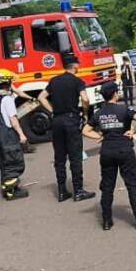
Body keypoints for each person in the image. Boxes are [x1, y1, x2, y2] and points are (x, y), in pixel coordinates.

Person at [82, 80, 136, 231]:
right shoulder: (124, 109)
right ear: (114, 94)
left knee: (107, 186)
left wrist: (99, 137)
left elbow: (85, 130)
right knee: (132, 184)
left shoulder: (99, 113)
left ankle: (106, 220)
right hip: (124, 150)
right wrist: (132, 132)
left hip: (107, 152)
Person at [38, 54, 95, 202]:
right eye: (78, 65)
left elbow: (41, 97)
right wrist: (85, 113)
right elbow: (85, 99)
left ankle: (62, 191)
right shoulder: (77, 81)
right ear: (75, 66)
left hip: (57, 120)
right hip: (71, 120)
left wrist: (51, 111)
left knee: (60, 157)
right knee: (75, 156)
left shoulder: (54, 81)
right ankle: (78, 190)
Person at [0, 68, 29, 200]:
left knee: (4, 163)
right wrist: (21, 135)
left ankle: (7, 188)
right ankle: (11, 192)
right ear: (7, 83)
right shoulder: (7, 99)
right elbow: (13, 119)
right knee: (13, 162)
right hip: (7, 136)